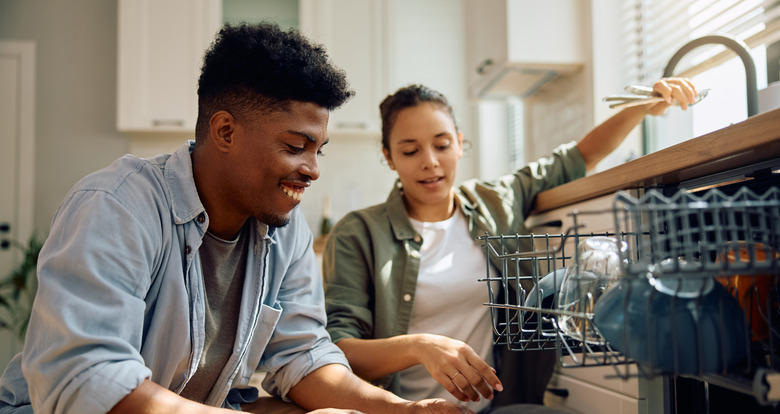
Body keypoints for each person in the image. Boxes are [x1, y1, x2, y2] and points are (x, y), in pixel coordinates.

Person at [0, 23, 473, 414]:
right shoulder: (117, 206)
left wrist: (406, 411)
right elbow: (88, 381)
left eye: (317, 149)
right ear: (225, 130)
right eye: (295, 147)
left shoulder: (285, 229)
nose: (312, 169)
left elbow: (303, 357)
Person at [323, 79, 698, 413]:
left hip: (496, 405)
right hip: (403, 410)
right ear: (388, 157)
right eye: (410, 151)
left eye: (441, 144)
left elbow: (578, 157)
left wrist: (645, 106)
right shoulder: (358, 233)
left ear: (460, 144)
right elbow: (339, 350)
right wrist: (420, 346)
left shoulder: (497, 201)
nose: (430, 162)